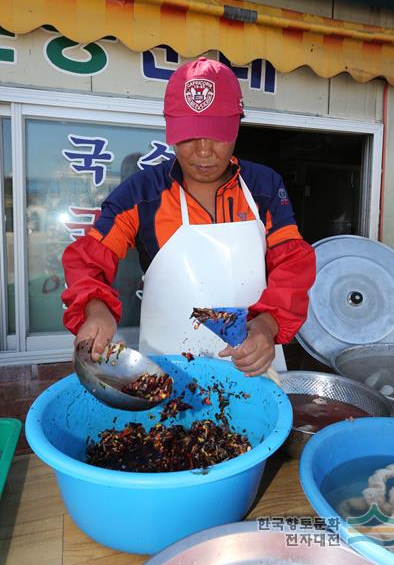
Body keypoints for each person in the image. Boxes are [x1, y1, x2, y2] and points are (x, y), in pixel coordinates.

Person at [62, 57, 316, 377]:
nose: (204, 151)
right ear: (171, 129)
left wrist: (267, 324)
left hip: (254, 364)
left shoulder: (264, 187)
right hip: (168, 370)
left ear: (237, 125)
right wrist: (95, 310)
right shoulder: (141, 195)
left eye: (217, 134)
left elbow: (292, 263)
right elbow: (87, 260)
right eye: (189, 136)